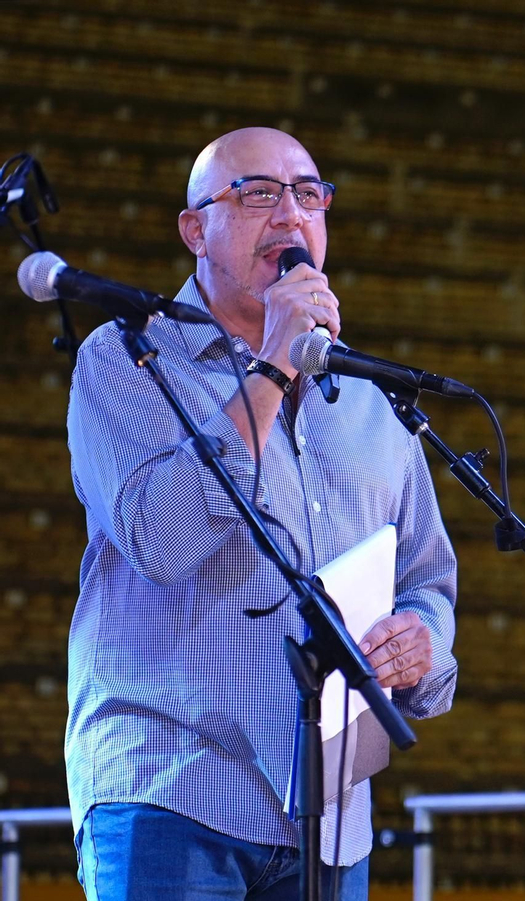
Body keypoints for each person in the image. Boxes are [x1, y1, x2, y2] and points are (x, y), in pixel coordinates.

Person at [64, 127, 459, 900]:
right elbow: (158, 539)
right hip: (173, 792)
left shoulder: (371, 403)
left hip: (331, 816)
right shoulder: (127, 359)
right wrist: (275, 362)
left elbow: (427, 581)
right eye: (256, 194)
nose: (289, 216)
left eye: (308, 194)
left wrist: (424, 643)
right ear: (194, 230)